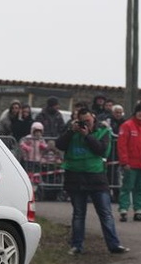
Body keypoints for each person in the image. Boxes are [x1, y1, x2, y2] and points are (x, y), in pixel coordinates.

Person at [55, 107, 129, 255]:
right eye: (82, 121)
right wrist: (71, 131)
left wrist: (88, 135)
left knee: (106, 213)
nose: (85, 124)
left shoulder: (103, 131)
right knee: (78, 214)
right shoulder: (72, 132)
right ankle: (77, 246)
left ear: (93, 118)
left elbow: (101, 150)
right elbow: (60, 145)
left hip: (96, 178)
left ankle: (114, 245)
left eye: (87, 121)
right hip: (75, 178)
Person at [116, 102, 141, 222]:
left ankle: (138, 211)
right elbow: (122, 145)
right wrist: (124, 162)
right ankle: (123, 210)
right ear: (135, 112)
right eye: (139, 111)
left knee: (140, 188)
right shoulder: (127, 126)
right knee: (127, 187)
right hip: (130, 164)